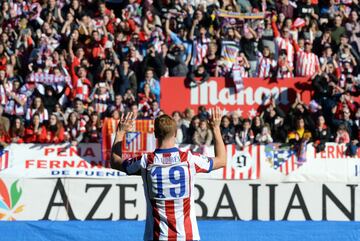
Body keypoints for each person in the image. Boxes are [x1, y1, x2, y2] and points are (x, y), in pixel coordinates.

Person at [110, 108, 226, 241]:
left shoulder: (146, 162)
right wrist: (216, 128)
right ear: (175, 133)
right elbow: (222, 160)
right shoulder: (189, 159)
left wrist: (120, 132)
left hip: (157, 237)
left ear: (155, 134)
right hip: (187, 236)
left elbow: (115, 162)